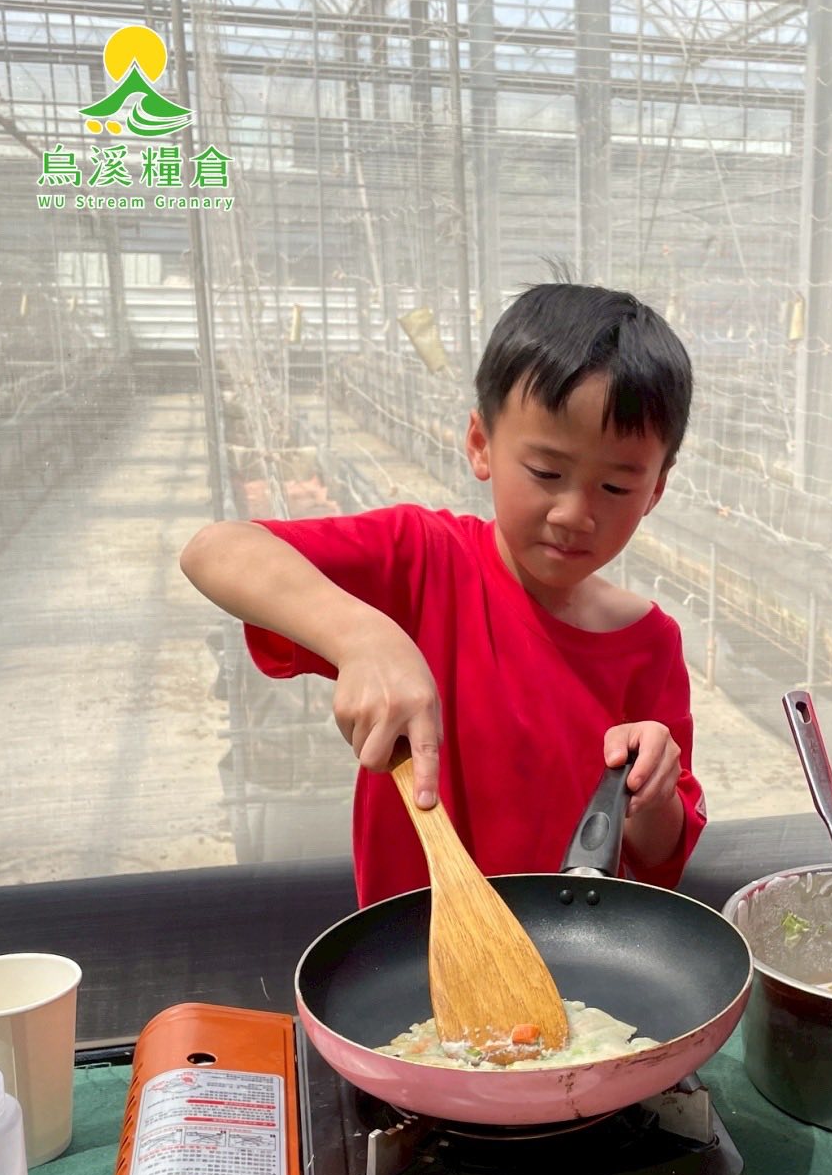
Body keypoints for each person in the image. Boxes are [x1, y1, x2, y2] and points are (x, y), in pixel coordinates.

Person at [180, 283, 706, 905]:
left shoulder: (649, 644)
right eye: (546, 472)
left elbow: (659, 858)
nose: (574, 513)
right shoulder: (423, 561)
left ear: (656, 489)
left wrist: (654, 792)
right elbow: (215, 549)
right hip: (418, 947)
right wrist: (362, 636)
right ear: (481, 444)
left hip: (573, 953)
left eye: (615, 487)